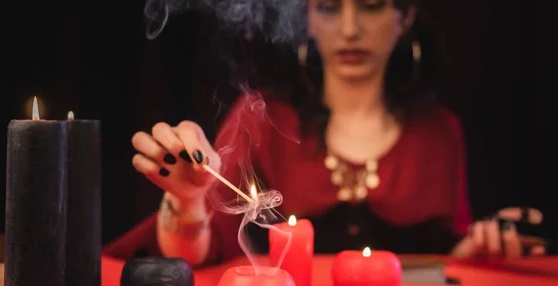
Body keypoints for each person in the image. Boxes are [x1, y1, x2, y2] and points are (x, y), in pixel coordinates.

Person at [110, 0, 545, 266]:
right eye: (330, 7)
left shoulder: (439, 134)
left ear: (405, 16)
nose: (351, 29)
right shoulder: (263, 122)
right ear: (308, 17)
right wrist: (188, 204)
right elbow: (195, 259)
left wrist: (477, 251)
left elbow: (446, 259)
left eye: (372, 4)